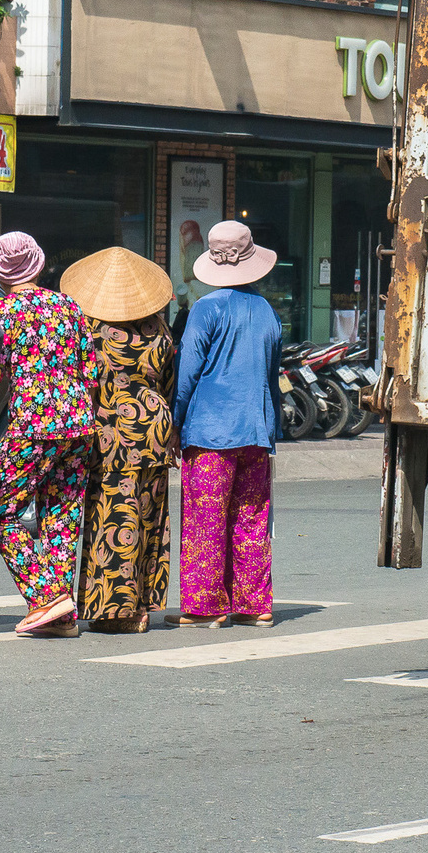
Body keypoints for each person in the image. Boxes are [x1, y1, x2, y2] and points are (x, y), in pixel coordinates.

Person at [0, 231, 95, 637]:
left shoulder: (0, 313)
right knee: (62, 514)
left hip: (33, 423)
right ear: (39, 264)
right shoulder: (68, 306)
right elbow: (91, 369)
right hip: (79, 421)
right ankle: (60, 616)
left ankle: (46, 596)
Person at [62, 247, 179, 634]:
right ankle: (144, 604)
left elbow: (83, 384)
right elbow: (169, 384)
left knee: (114, 517)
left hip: (112, 433)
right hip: (155, 430)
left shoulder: (93, 331)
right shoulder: (159, 328)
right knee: (148, 517)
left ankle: (119, 612)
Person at [173, 219, 283, 626]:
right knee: (251, 519)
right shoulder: (268, 312)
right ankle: (254, 606)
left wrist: (175, 421)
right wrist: (271, 429)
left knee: (206, 520)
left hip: (210, 433)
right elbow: (272, 377)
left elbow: (187, 376)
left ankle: (206, 607)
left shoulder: (207, 309)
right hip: (256, 430)